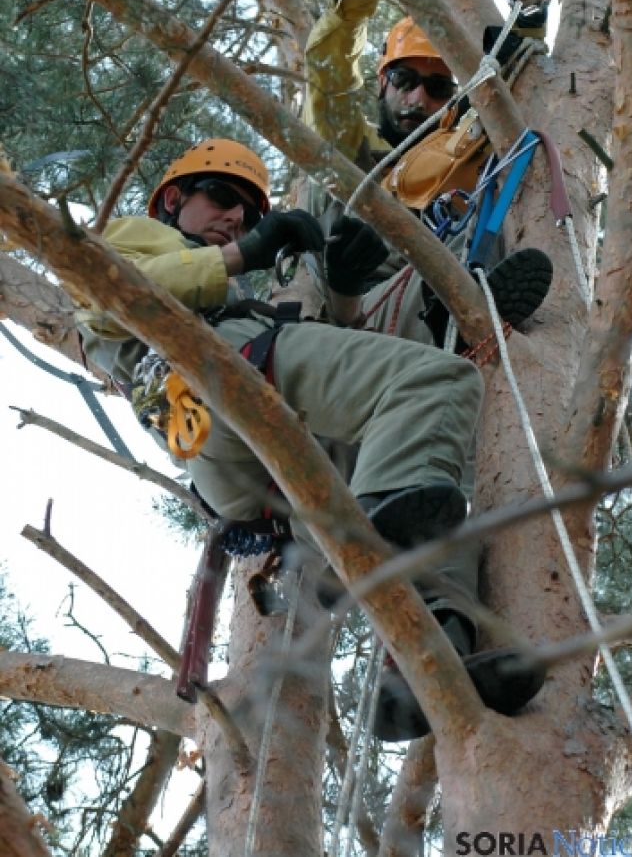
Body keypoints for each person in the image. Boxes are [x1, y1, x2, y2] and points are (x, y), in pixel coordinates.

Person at [77, 137, 545, 739]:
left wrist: (345, 289)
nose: (238, 217)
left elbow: (339, 372)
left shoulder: (250, 289)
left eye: (251, 212)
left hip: (253, 475)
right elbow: (112, 289)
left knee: (438, 498)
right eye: (223, 197)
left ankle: (434, 659)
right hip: (224, 370)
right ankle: (376, 523)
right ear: (172, 198)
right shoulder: (131, 237)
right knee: (435, 380)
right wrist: (246, 254)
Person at [301, 0, 555, 344]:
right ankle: (455, 308)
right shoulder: (357, 152)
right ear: (382, 83)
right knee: (325, 179)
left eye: (437, 88)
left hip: (438, 289)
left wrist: (528, 23)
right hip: (351, 302)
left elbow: (511, 96)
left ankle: (464, 308)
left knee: (485, 200)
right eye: (405, 80)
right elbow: (328, 81)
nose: (418, 99)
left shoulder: (463, 147)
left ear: (454, 96)